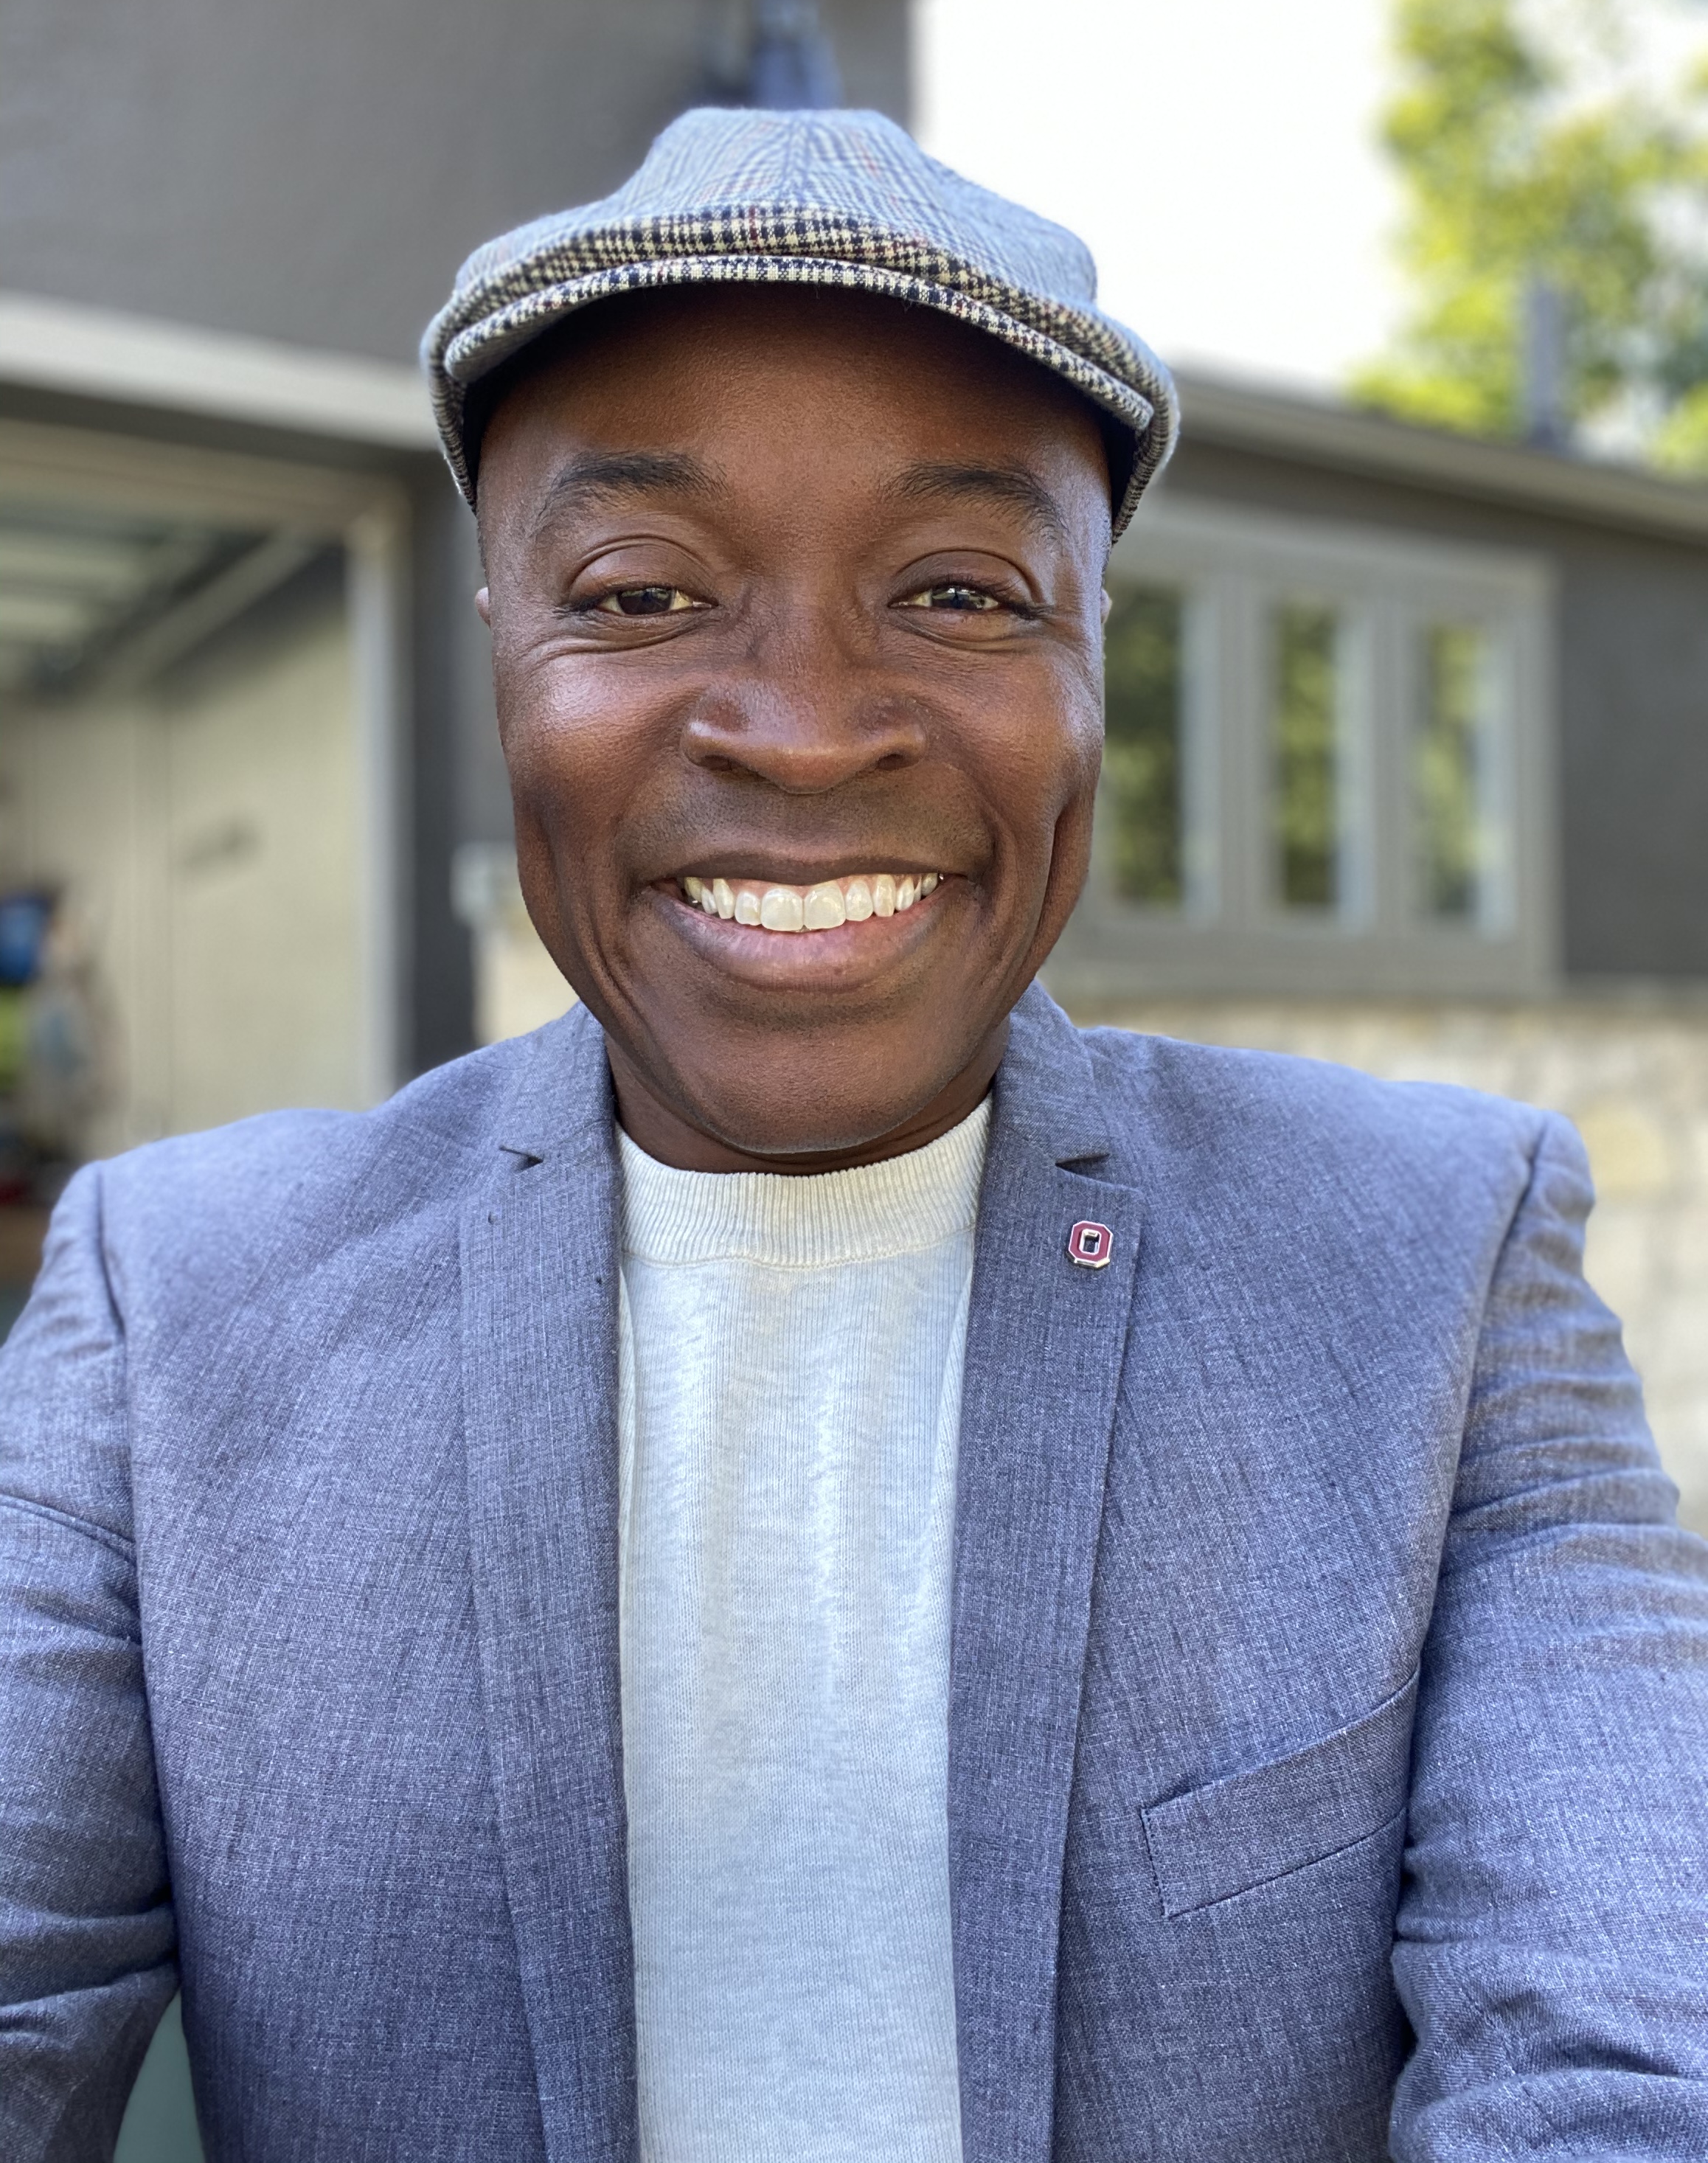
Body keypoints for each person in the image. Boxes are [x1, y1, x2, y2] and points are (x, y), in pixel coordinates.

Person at [3, 106, 1706, 2163]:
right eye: (638, 596)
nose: (803, 727)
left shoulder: (1435, 1261)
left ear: (1092, 661)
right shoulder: (171, 1309)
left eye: (960, 593)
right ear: (499, 657)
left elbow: (1618, 2077)